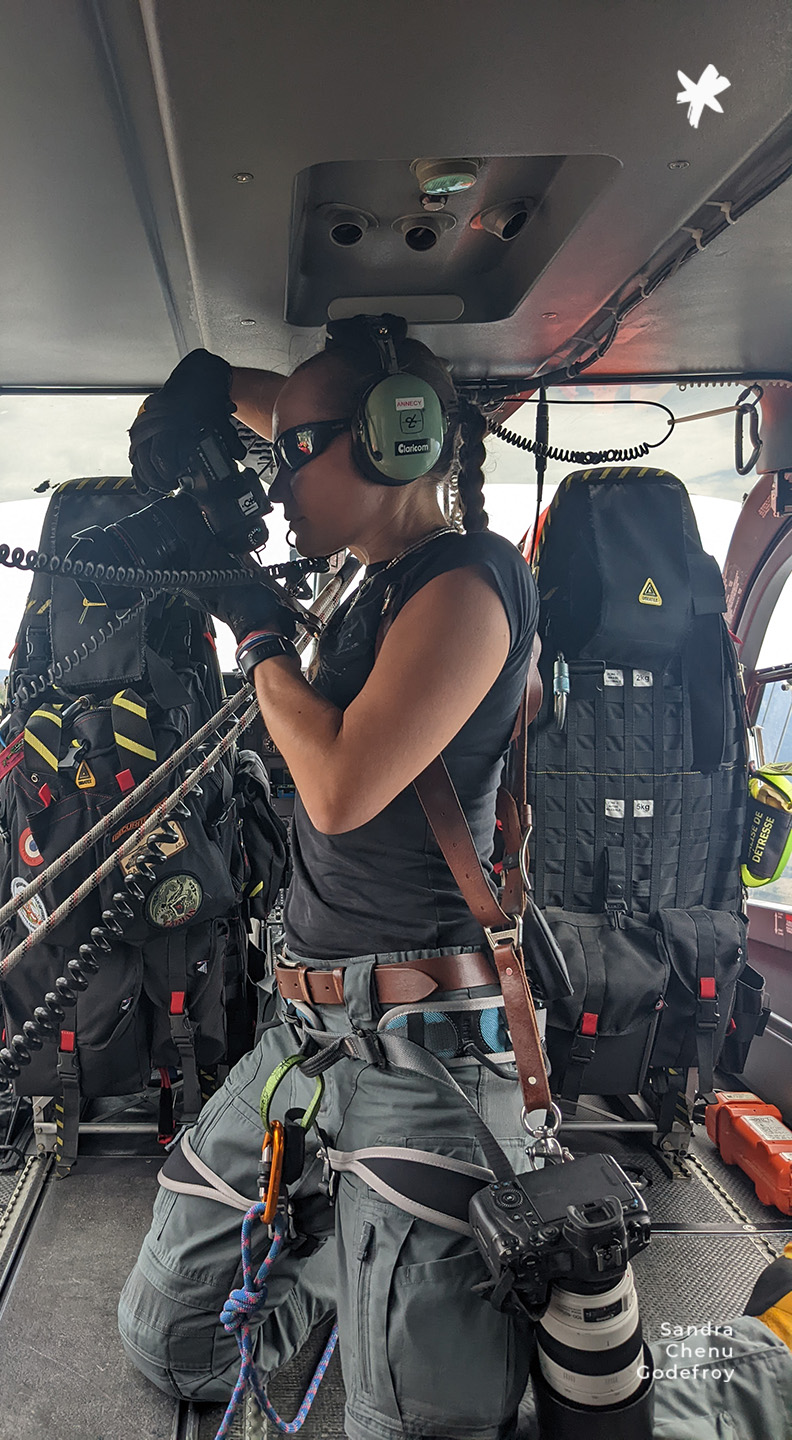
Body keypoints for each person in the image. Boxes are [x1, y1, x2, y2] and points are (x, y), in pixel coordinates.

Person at [117, 317, 792, 1440]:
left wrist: (252, 624)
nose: (276, 480)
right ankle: (368, 1267)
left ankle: (750, 1381)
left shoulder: (468, 586)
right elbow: (316, 414)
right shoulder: (370, 571)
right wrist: (209, 387)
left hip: (429, 1054)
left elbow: (335, 787)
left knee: (432, 1430)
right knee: (171, 1340)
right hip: (306, 1034)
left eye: (294, 456)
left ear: (390, 444)